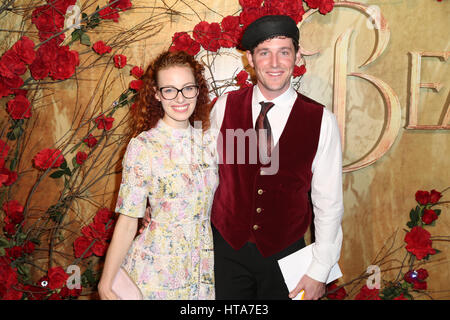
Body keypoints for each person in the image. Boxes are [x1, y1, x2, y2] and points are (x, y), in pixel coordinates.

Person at [209, 15, 344, 300]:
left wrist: (320, 270)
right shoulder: (224, 106)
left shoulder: (322, 120)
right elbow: (205, 176)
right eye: (264, 53)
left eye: (284, 52)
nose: (274, 63)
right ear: (250, 58)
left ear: (296, 55)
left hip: (287, 257)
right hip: (225, 253)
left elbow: (329, 203)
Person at [98, 50, 218, 300]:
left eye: (187, 88)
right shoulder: (143, 146)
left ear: (198, 89)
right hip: (155, 275)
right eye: (169, 90)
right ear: (157, 94)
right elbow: (129, 219)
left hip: (201, 272)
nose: (180, 98)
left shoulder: (208, 141)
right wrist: (106, 283)